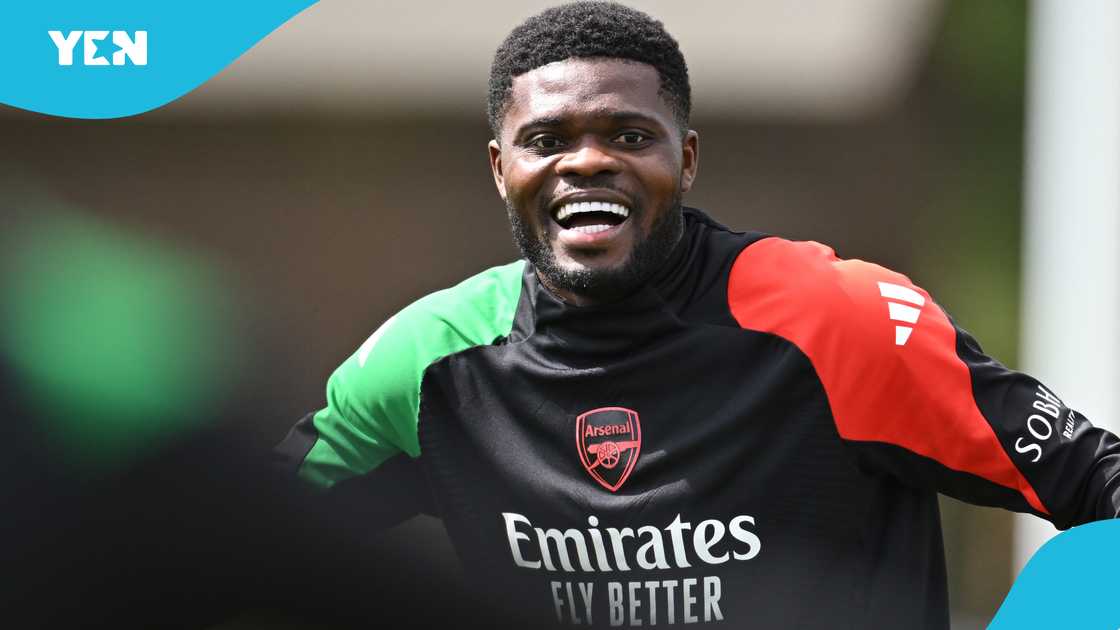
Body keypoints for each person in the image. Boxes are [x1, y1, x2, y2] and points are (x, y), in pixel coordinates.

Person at [275, 2, 1120, 628]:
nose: (589, 162)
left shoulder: (839, 322)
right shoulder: (430, 364)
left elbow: (1097, 482)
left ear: (685, 158)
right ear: (502, 169)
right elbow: (228, 544)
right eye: (548, 140)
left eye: (629, 135)